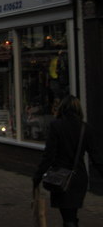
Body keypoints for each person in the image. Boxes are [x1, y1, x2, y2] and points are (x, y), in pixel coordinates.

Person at [33, 95, 103, 227]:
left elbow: (48, 155)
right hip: (78, 178)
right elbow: (96, 157)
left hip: (60, 177)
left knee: (67, 216)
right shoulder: (85, 128)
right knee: (72, 213)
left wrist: (38, 176)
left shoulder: (56, 126)